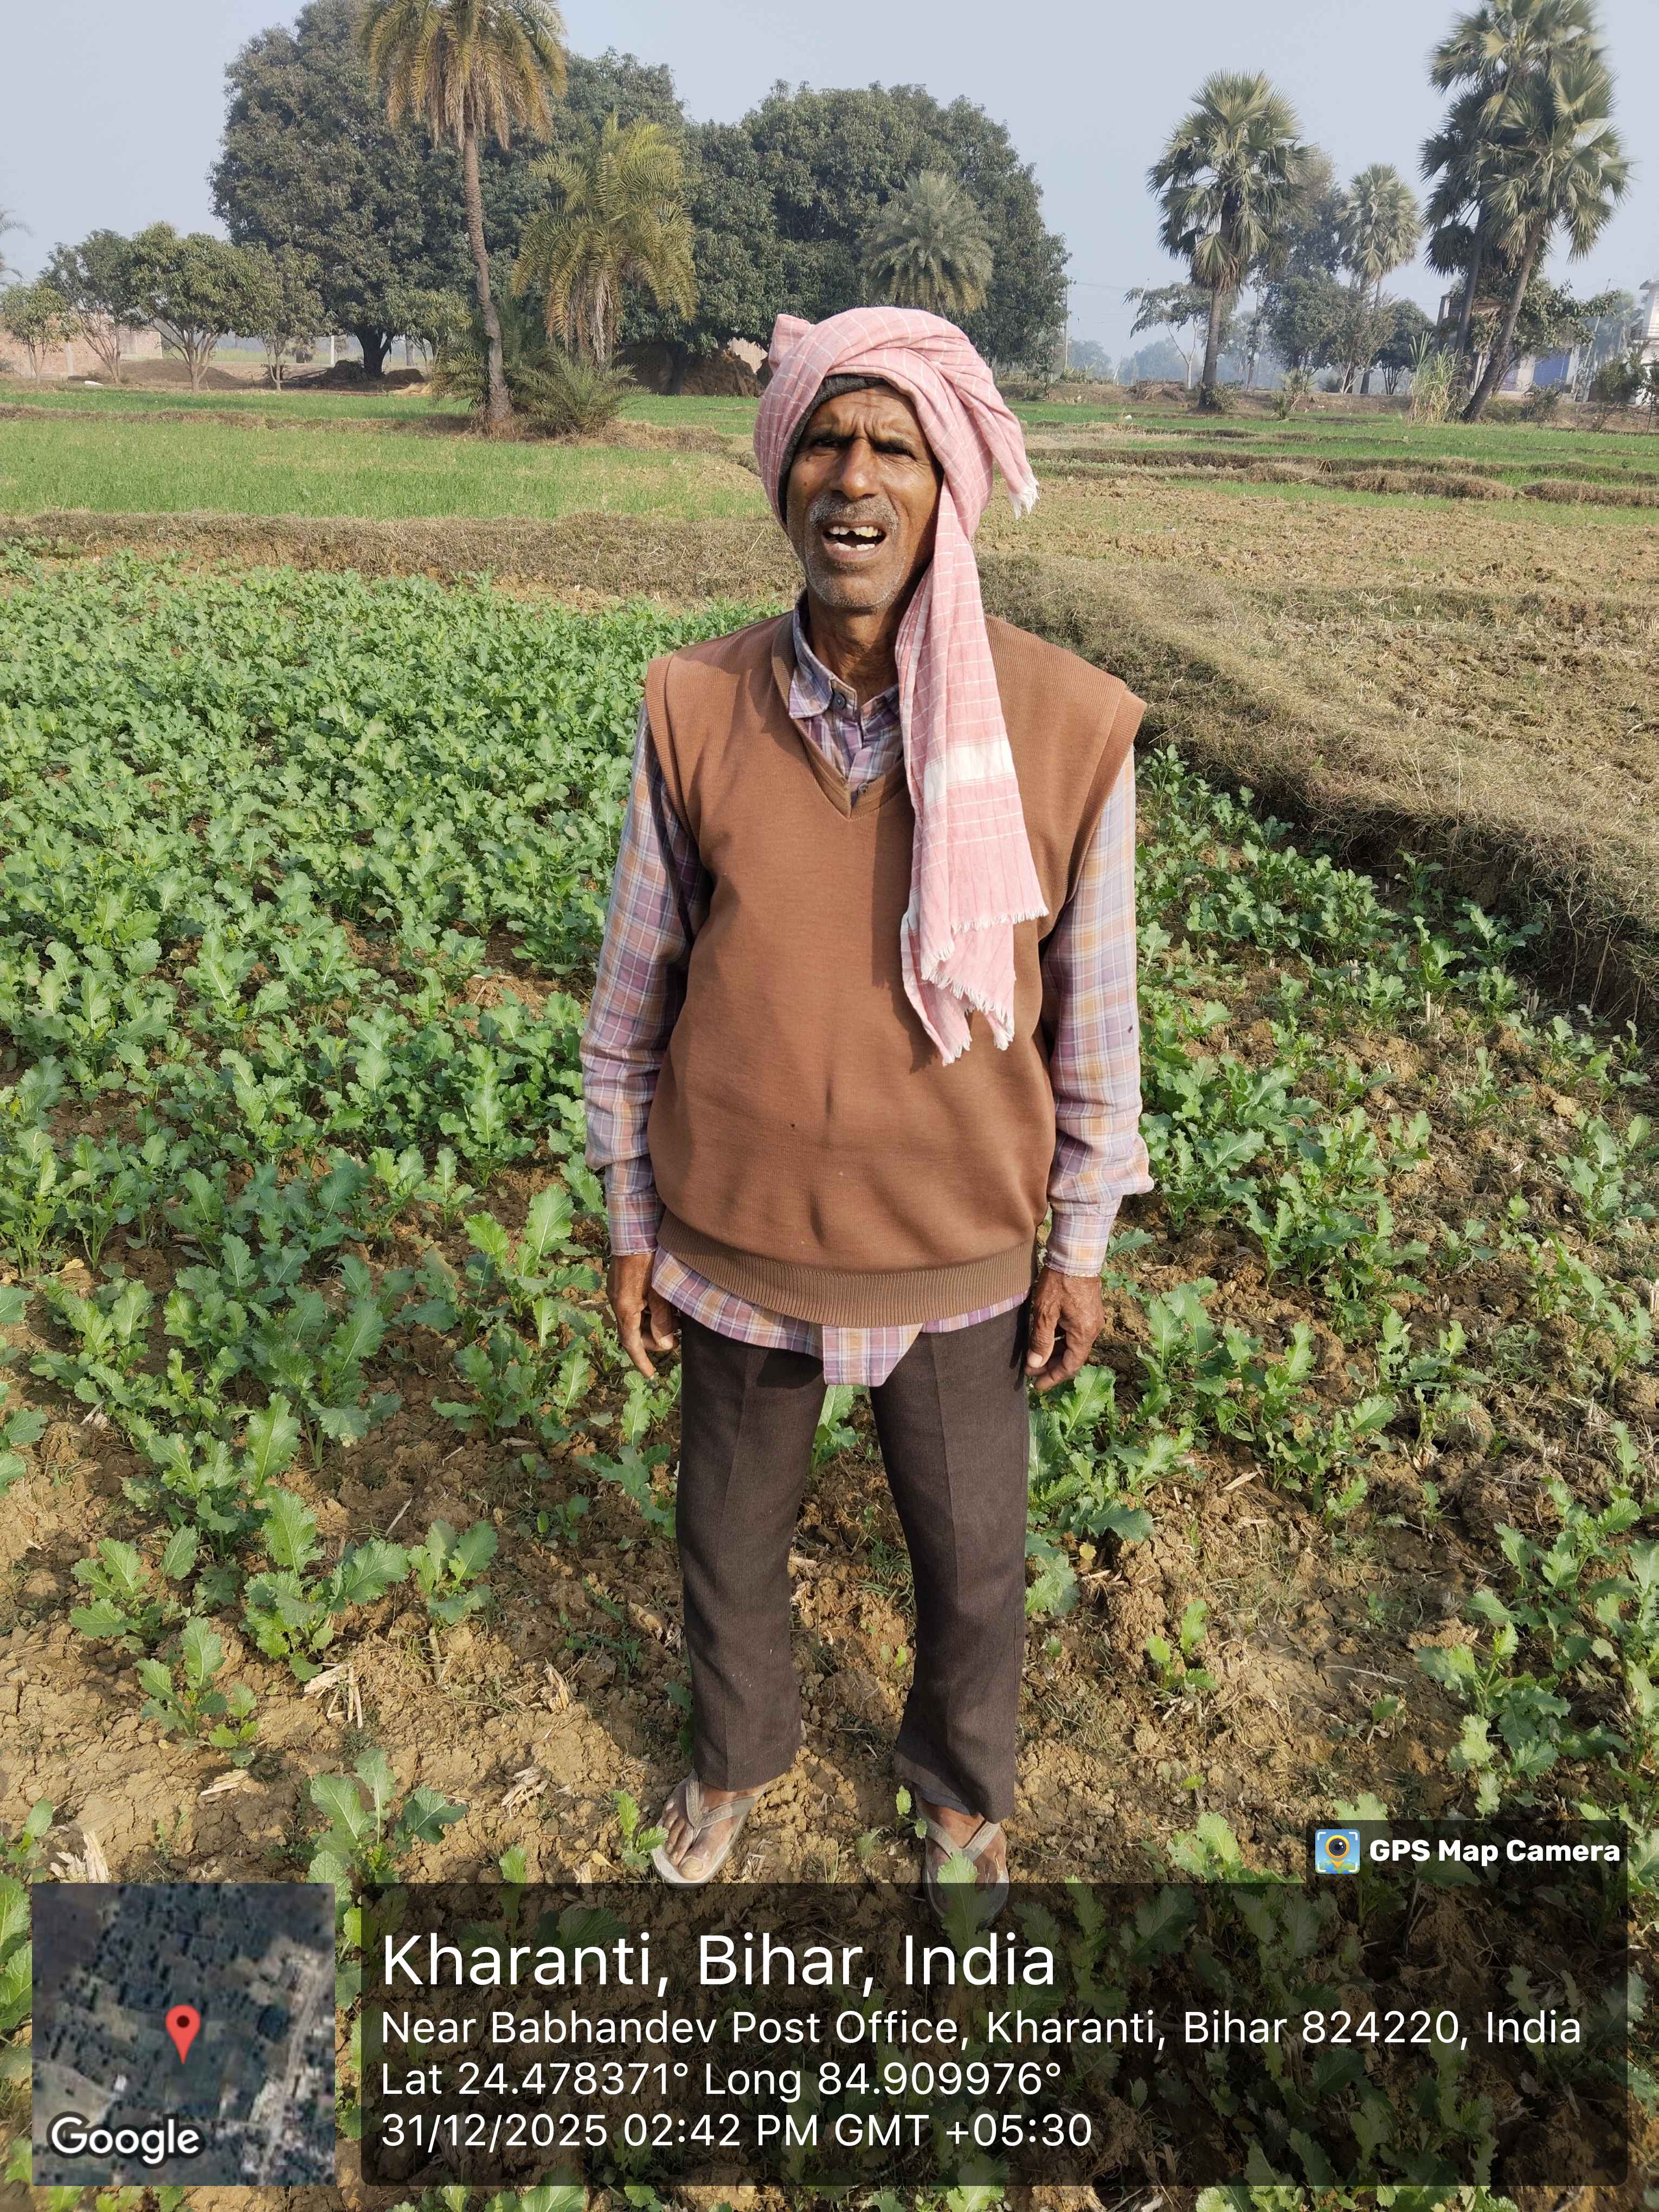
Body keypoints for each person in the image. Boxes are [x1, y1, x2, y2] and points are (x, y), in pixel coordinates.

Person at [580, 305, 1151, 1906]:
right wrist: (630, 1218)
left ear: (947, 487)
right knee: (725, 1537)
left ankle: (960, 1795)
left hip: (956, 1241)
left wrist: (1079, 1240)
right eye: (825, 441)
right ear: (781, 477)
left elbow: (1095, 1013)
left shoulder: (1066, 725)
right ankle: (731, 1760)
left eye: (895, 447)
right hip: (736, 1233)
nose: (855, 478)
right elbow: (632, 996)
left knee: (971, 1557)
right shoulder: (695, 703)